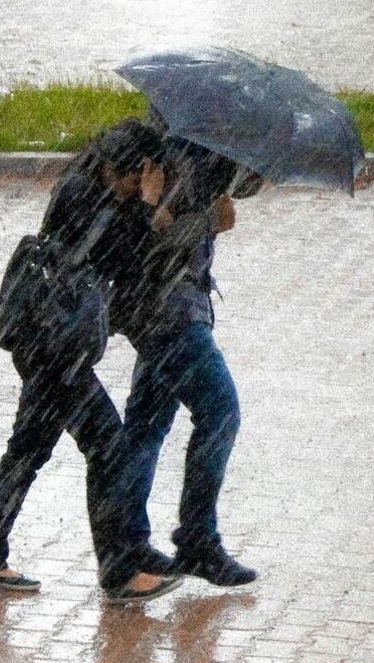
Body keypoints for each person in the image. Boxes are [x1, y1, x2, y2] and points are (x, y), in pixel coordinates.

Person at [0, 119, 180, 603]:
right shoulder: (89, 197)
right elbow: (124, 259)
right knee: (107, 445)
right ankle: (119, 570)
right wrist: (147, 211)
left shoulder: (87, 187)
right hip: (55, 348)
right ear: (132, 169)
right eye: (146, 174)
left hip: (45, 341)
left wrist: (144, 212)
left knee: (29, 448)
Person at [111, 137, 265, 588]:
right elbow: (152, 244)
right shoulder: (177, 153)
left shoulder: (204, 144)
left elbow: (240, 186)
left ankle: (128, 542)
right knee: (220, 411)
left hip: (163, 310)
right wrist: (207, 222)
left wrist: (256, 164)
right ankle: (196, 538)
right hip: (170, 313)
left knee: (145, 425)